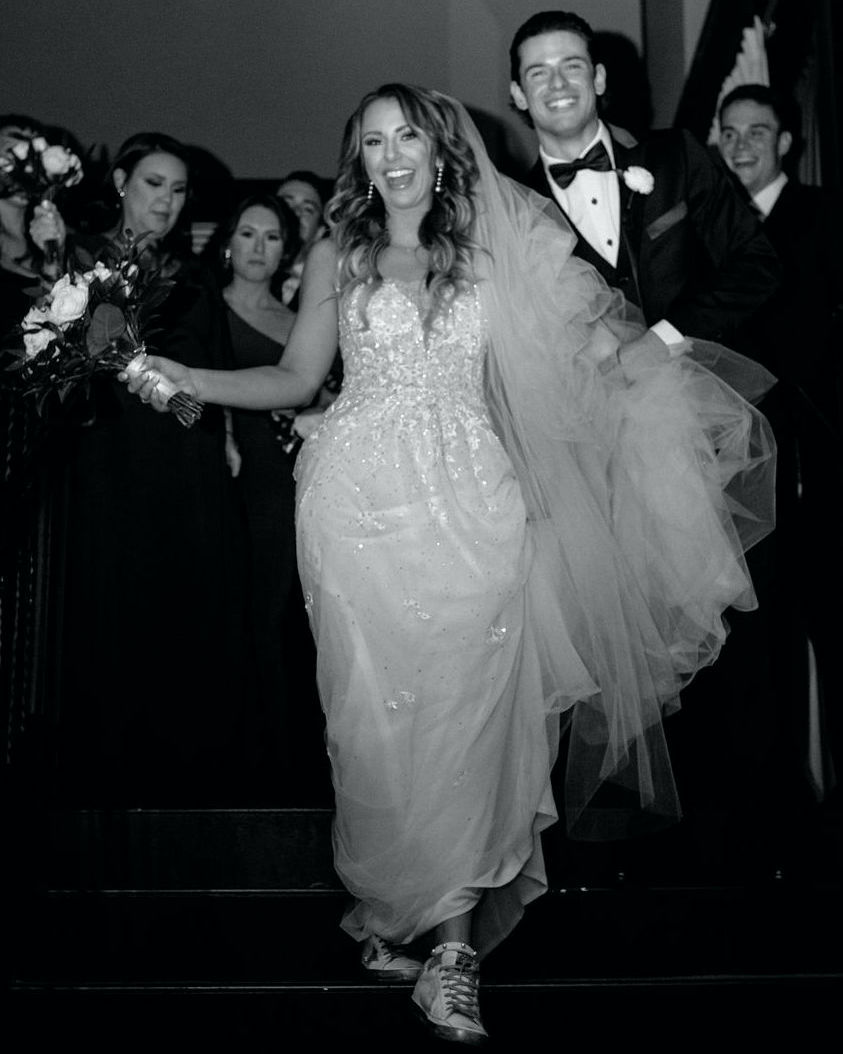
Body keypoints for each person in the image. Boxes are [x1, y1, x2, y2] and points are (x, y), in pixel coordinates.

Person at [125, 84, 774, 1045]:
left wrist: (647, 400)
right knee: (377, 723)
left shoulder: (495, 253)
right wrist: (188, 377)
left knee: (477, 714)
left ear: (441, 152)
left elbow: (580, 358)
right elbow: (298, 379)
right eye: (373, 141)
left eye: (408, 139)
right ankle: (404, 909)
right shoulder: (335, 254)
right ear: (361, 158)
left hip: (479, 502)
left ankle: (455, 958)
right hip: (355, 507)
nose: (391, 156)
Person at [50, 132, 253, 804]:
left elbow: (217, 369)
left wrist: (223, 436)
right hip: (109, 458)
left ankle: (183, 771)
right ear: (120, 184)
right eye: (152, 185)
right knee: (111, 598)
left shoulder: (193, 278)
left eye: (177, 190)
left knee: (185, 602)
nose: (165, 202)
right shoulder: (76, 263)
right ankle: (106, 771)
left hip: (185, 460)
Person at [509, 10, 781, 352]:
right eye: (538, 73)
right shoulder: (515, 209)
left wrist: (664, 338)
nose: (558, 84)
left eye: (572, 65)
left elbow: (756, 265)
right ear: (519, 94)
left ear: (599, 79)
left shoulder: (677, 155)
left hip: (705, 386)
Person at [718, 84, 843, 825]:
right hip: (735, 463)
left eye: (755, 133)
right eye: (728, 134)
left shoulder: (824, 215)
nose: (739, 147)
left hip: (817, 453)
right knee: (754, 638)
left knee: (830, 618)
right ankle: (770, 807)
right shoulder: (712, 225)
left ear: (784, 143)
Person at [214, 193, 329, 801]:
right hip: (246, 479)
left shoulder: (301, 319)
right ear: (228, 242)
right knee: (261, 604)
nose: (259, 248)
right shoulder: (202, 312)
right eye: (248, 233)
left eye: (273, 237)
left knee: (302, 616)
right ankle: (260, 761)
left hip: (310, 477)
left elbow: (317, 387)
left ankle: (304, 759)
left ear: (290, 249)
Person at [275, 170, 330, 308]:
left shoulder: (328, 288)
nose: (295, 212)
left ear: (319, 232)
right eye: (286, 204)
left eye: (307, 209)